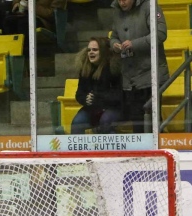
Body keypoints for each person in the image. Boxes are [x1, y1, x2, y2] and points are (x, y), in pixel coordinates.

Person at [110, 0, 169, 133]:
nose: (122, 2)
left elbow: (160, 33)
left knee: (152, 121)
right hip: (129, 77)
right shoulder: (116, 11)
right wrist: (114, 45)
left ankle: (156, 151)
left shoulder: (150, 6)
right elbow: (113, 36)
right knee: (137, 122)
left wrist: (134, 44)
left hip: (150, 73)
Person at [71, 37, 122, 134]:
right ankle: (78, 149)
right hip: (92, 108)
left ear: (103, 52)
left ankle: (110, 148)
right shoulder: (85, 69)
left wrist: (98, 97)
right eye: (89, 50)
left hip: (113, 108)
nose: (91, 52)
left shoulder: (113, 68)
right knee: (77, 122)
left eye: (95, 50)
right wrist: (86, 99)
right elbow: (79, 94)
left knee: (105, 121)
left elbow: (119, 95)